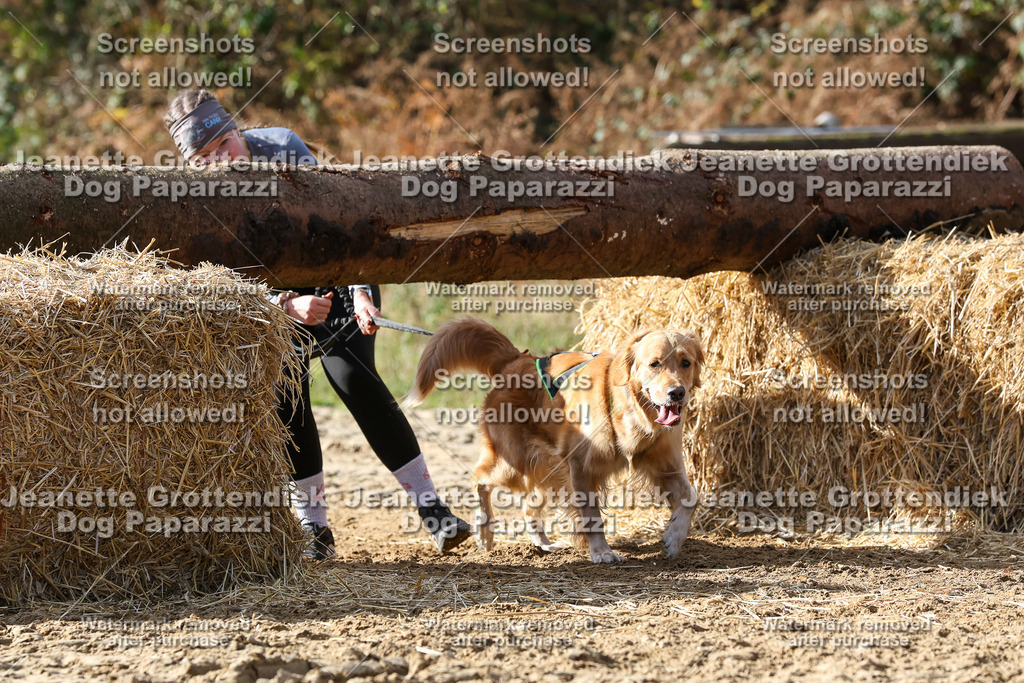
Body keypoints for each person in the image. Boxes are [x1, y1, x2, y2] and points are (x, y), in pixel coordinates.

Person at [163, 89, 471, 559]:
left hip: (336, 279)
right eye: (204, 157)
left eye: (224, 143)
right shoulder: (196, 194)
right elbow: (222, 281)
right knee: (288, 395)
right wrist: (285, 305)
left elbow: (341, 225)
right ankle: (316, 531)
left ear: (235, 128)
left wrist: (362, 296)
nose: (221, 160)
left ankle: (435, 513)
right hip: (270, 301)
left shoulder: (284, 147)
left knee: (355, 381)